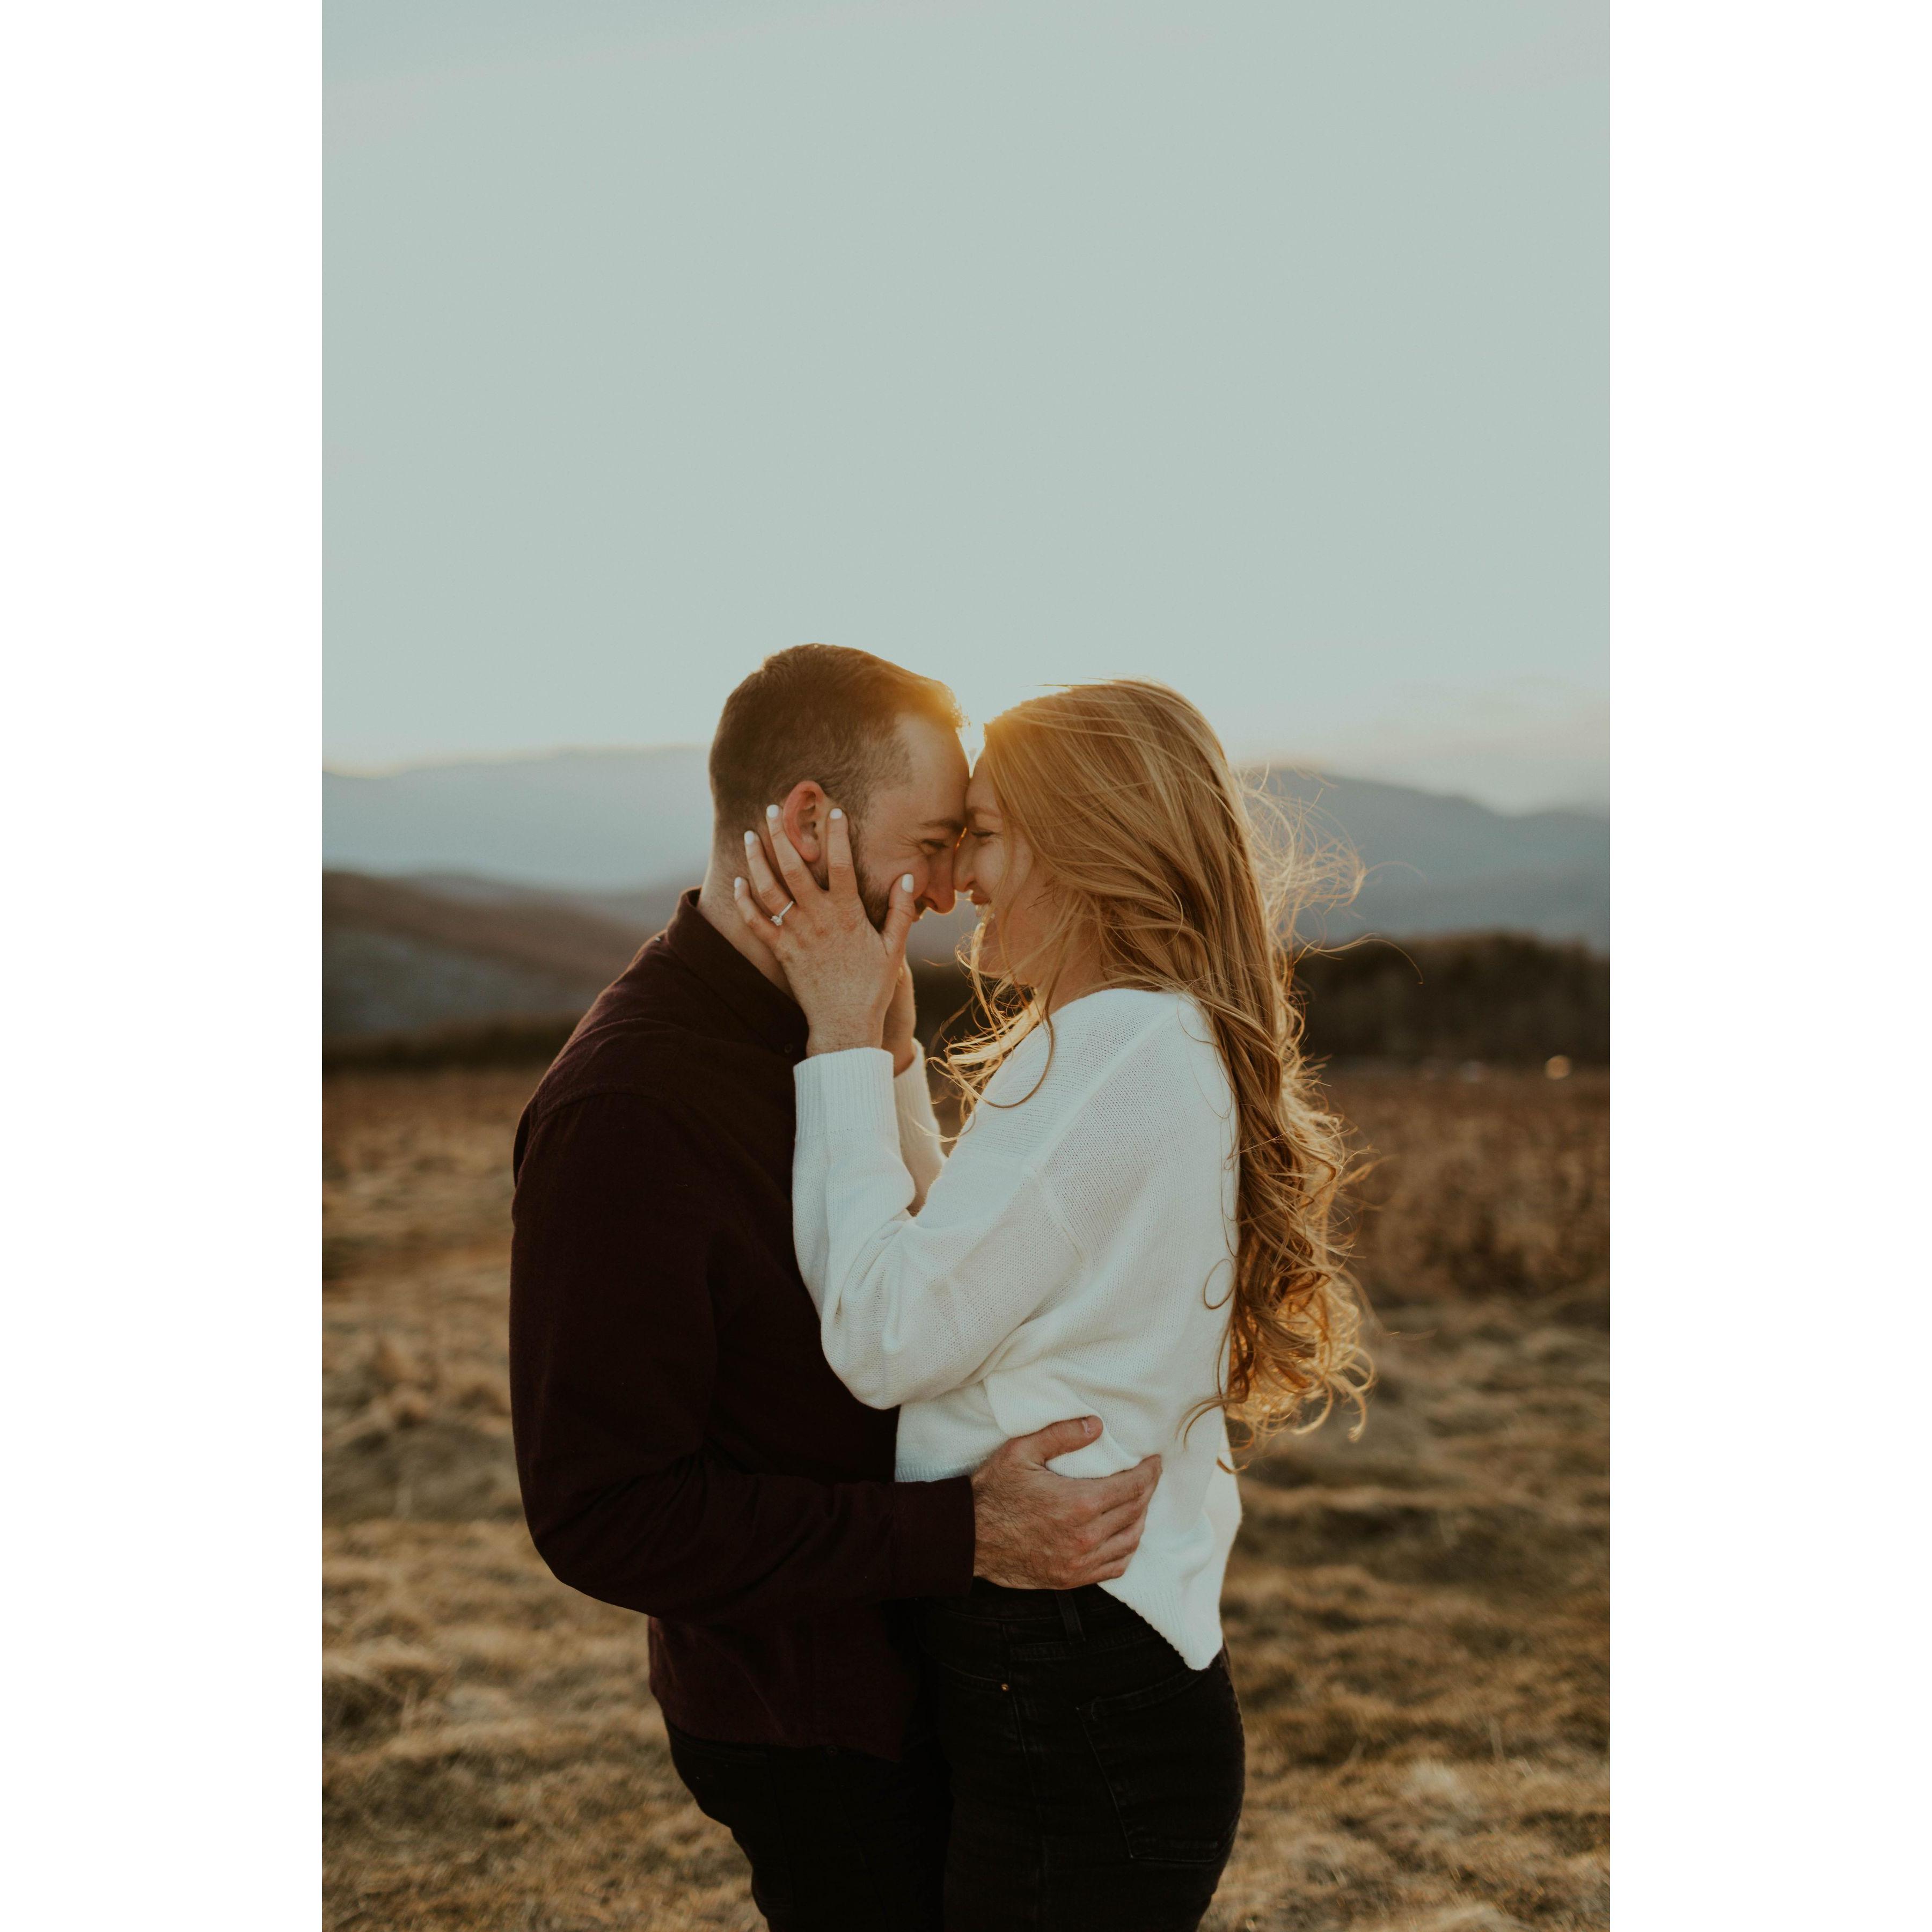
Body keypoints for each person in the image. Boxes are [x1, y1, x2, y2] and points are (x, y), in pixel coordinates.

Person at [508, 645, 1161, 1932]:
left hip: (935, 1675)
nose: (950, 891)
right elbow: (601, 1514)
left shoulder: (826, 1036)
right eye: (929, 843)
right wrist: (958, 1537)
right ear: (810, 823)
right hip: (817, 1728)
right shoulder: (628, 1111)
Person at [730, 677, 1371, 1932]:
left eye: (984, 834)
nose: (958, 880)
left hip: (1078, 1697)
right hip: (1086, 1679)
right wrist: (901, 1063)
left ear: (1085, 850)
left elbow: (886, 1333)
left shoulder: (1113, 1053)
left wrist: (842, 1051)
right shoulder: (1133, 1042)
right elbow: (973, 1269)